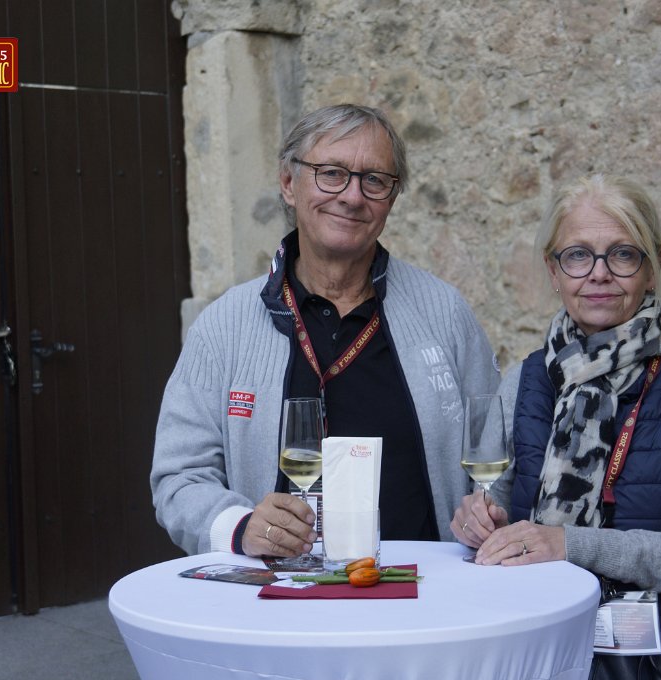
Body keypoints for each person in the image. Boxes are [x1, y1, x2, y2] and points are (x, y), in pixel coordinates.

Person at [152, 103, 499, 560]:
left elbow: (494, 455)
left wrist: (486, 510)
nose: (352, 196)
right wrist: (240, 526)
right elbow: (179, 478)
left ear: (392, 198)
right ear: (288, 183)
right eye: (331, 173)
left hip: (423, 587)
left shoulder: (445, 315)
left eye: (374, 180)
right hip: (277, 589)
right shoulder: (224, 326)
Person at [451, 174, 661, 680]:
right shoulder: (524, 381)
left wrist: (572, 544)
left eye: (622, 254)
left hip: (657, 666)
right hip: (535, 653)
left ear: (652, 268)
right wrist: (479, 519)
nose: (598, 274)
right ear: (554, 270)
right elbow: (494, 507)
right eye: (578, 255)